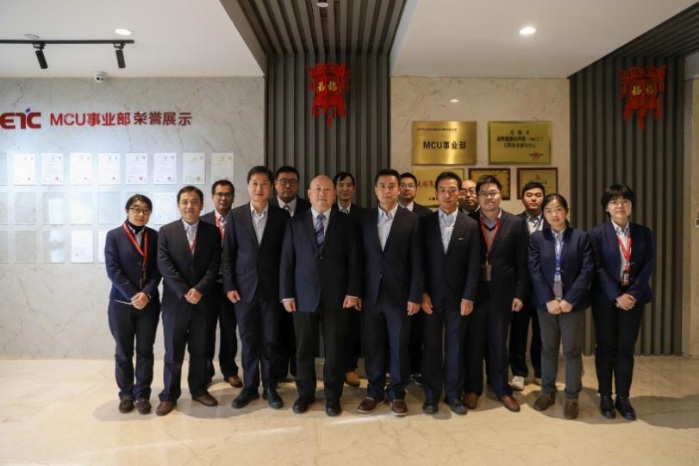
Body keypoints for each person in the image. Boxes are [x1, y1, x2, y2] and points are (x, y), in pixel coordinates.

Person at [280, 175, 361, 416]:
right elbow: (287, 261)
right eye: (317, 189)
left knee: (335, 348)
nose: (322, 194)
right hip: (303, 296)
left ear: (334, 194)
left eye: (327, 189)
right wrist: (286, 294)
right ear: (309, 193)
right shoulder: (295, 223)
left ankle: (332, 396)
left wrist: (353, 291)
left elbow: (355, 261)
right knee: (304, 348)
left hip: (338, 297)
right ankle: (305, 394)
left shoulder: (346, 223)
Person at [356, 168, 423, 417]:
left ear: (399, 190)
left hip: (400, 296)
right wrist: (355, 292)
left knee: (399, 345)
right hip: (370, 294)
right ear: (375, 190)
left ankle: (397, 393)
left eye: (392, 186)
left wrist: (415, 295)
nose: (387, 190)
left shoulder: (411, 219)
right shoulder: (364, 218)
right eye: (382, 186)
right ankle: (373, 391)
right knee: (373, 345)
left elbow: (418, 261)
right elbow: (357, 259)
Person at [223, 166, 290, 410]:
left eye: (264, 184)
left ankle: (270, 387)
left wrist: (285, 290)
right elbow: (228, 254)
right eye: (254, 183)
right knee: (248, 340)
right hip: (243, 290)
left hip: (272, 290)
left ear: (271, 187)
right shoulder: (236, 215)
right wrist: (230, 285)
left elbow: (286, 257)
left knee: (271, 340)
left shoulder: (282, 217)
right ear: (248, 186)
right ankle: (250, 387)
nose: (259, 188)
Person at [463, 175, 528, 412]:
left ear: (501, 195)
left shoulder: (516, 223)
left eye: (493, 193)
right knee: (474, 342)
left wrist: (519, 294)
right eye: (483, 194)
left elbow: (522, 263)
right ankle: (473, 388)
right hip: (475, 294)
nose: (489, 198)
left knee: (499, 342)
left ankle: (501, 389)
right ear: (477, 197)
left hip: (504, 294)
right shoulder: (468, 222)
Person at [590, 184, 655, 421]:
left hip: (633, 298)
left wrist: (632, 294)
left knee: (626, 349)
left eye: (625, 201)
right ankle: (606, 396)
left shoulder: (644, 233)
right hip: (606, 298)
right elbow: (597, 268)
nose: (620, 205)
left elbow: (648, 265)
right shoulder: (596, 234)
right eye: (614, 201)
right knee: (605, 347)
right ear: (606, 207)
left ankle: (623, 397)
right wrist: (616, 295)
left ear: (631, 206)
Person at [156, 186, 222, 416]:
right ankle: (169, 395)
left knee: (200, 349)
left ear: (202, 205)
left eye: (194, 201)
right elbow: (164, 265)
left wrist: (199, 290)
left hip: (203, 302)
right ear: (178, 205)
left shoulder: (212, 232)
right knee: (173, 352)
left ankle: (199, 389)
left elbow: (215, 265)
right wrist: (185, 291)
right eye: (185, 201)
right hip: (175, 303)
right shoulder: (166, 231)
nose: (189, 206)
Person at [420, 172, 480, 415]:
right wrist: (422, 293)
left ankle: (454, 395)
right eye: (443, 190)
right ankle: (431, 395)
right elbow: (419, 263)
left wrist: (469, 297)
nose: (447, 194)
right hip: (431, 298)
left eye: (452, 190)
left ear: (460, 194)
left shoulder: (470, 225)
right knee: (431, 347)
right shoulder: (424, 223)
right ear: (436, 193)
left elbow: (474, 265)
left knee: (456, 346)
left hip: (458, 298)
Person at [529, 194, 594, 420]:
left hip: (572, 304)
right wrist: (548, 299)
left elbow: (587, 271)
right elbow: (534, 270)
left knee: (571, 351)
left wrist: (570, 299)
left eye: (558, 209)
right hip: (546, 304)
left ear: (566, 211)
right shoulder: (537, 238)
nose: (553, 214)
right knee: (548, 349)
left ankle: (572, 396)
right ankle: (547, 392)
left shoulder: (581, 238)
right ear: (544, 215)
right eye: (548, 211)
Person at [105, 194, 162, 415]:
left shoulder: (155, 236)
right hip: (121, 304)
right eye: (136, 209)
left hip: (148, 305)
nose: (141, 214)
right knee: (123, 351)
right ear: (127, 211)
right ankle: (126, 394)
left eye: (146, 210)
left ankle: (142, 395)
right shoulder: (114, 236)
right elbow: (113, 270)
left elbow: (158, 270)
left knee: (145, 351)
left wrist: (146, 294)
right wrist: (133, 295)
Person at [269, 165, 310, 384]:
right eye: (283, 181)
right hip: (273, 277)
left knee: (299, 329)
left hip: (302, 279)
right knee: (276, 327)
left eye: (292, 181)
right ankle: (277, 371)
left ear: (299, 185)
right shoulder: (267, 206)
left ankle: (298, 370)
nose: (287, 185)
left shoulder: (308, 207)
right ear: (275, 184)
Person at [200, 180, 242, 389]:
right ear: (212, 197)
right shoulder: (202, 221)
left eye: (227, 194)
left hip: (231, 286)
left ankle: (229, 370)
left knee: (229, 330)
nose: (223, 198)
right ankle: (206, 371)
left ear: (233, 197)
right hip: (208, 287)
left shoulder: (240, 219)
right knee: (206, 330)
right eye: (219, 194)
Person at [509, 182, 546, 391]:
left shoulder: (553, 220)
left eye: (538, 195)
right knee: (518, 331)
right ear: (522, 198)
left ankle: (540, 371)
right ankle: (518, 372)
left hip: (545, 288)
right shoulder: (514, 222)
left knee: (542, 332)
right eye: (529, 195)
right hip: (519, 288)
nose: (533, 198)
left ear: (543, 198)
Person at [332, 171, 367, 388]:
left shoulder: (364, 215)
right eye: (341, 185)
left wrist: (359, 288)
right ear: (335, 189)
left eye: (348, 185)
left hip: (355, 279)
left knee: (353, 327)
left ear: (354, 189)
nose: (345, 189)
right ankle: (334, 367)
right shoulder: (326, 212)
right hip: (332, 281)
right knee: (333, 329)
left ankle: (350, 367)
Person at [398, 171, 431, 386]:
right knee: (396, 330)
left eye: (411, 185)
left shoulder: (425, 214)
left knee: (417, 330)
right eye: (403, 185)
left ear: (416, 189)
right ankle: (396, 369)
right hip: (395, 281)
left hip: (417, 280)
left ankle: (417, 370)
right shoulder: (388, 212)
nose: (407, 188)